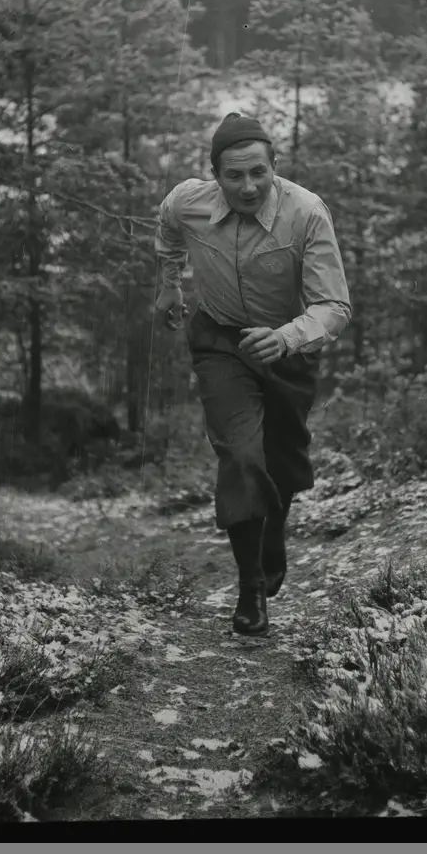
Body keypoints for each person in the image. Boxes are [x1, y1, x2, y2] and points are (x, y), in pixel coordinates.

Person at [154, 112, 352, 636]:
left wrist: (285, 338)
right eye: (234, 175)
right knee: (241, 455)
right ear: (214, 175)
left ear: (274, 166)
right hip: (220, 342)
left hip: (288, 346)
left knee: (282, 461)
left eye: (258, 173)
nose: (248, 187)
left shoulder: (306, 212)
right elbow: (168, 225)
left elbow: (333, 305)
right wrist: (170, 283)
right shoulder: (189, 202)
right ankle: (251, 587)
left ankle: (273, 533)